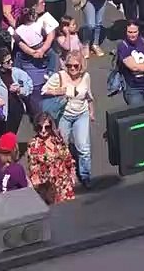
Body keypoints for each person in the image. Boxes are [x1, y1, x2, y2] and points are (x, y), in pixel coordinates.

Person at [41, 52, 94, 189]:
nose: (72, 68)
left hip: (82, 114)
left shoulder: (86, 77)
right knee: (63, 147)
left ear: (81, 65)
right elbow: (44, 90)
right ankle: (68, 174)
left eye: (76, 66)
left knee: (84, 148)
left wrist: (91, 110)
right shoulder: (59, 76)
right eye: (69, 65)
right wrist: (59, 91)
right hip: (64, 115)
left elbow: (88, 95)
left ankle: (85, 175)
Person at [26, 112, 78, 203]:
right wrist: (37, 185)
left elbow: (68, 158)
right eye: (40, 127)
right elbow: (33, 166)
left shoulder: (57, 140)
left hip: (63, 183)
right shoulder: (33, 144)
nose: (43, 130)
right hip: (47, 186)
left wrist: (72, 174)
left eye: (47, 127)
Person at [115, 20, 144, 107]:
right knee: (139, 115)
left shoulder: (143, 41)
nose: (132, 35)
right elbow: (134, 67)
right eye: (130, 32)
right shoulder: (123, 46)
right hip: (134, 89)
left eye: (135, 32)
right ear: (125, 32)